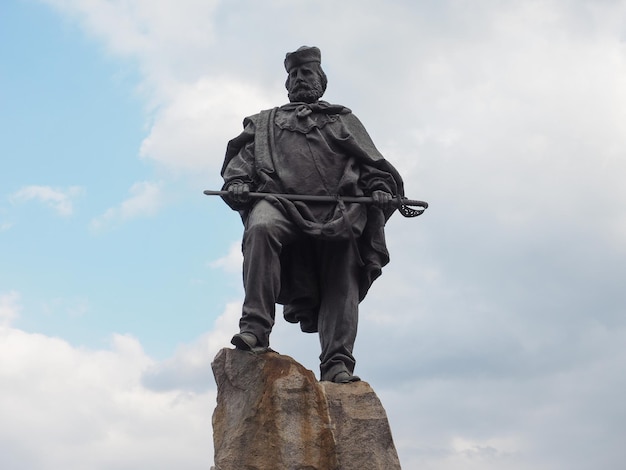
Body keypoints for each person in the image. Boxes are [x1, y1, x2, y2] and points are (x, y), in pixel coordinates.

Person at [221, 46, 404, 383]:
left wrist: (379, 186)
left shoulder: (342, 119)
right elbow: (240, 162)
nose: (299, 79)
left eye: (307, 73)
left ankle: (337, 362)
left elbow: (372, 163)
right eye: (293, 75)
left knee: (342, 270)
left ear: (321, 81)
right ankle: (255, 330)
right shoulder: (265, 123)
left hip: (340, 210)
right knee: (260, 228)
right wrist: (237, 181)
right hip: (278, 202)